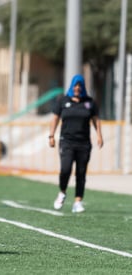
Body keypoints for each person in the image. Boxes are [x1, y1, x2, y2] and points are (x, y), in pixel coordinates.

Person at [49, 74, 103, 213]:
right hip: (66, 142)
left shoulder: (89, 102)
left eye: (80, 86)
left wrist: (99, 135)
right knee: (65, 170)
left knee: (81, 172)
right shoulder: (63, 100)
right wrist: (51, 135)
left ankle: (78, 201)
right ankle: (62, 192)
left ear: (83, 87)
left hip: (84, 143)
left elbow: (96, 120)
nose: (77, 88)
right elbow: (55, 119)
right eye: (75, 85)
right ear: (72, 86)